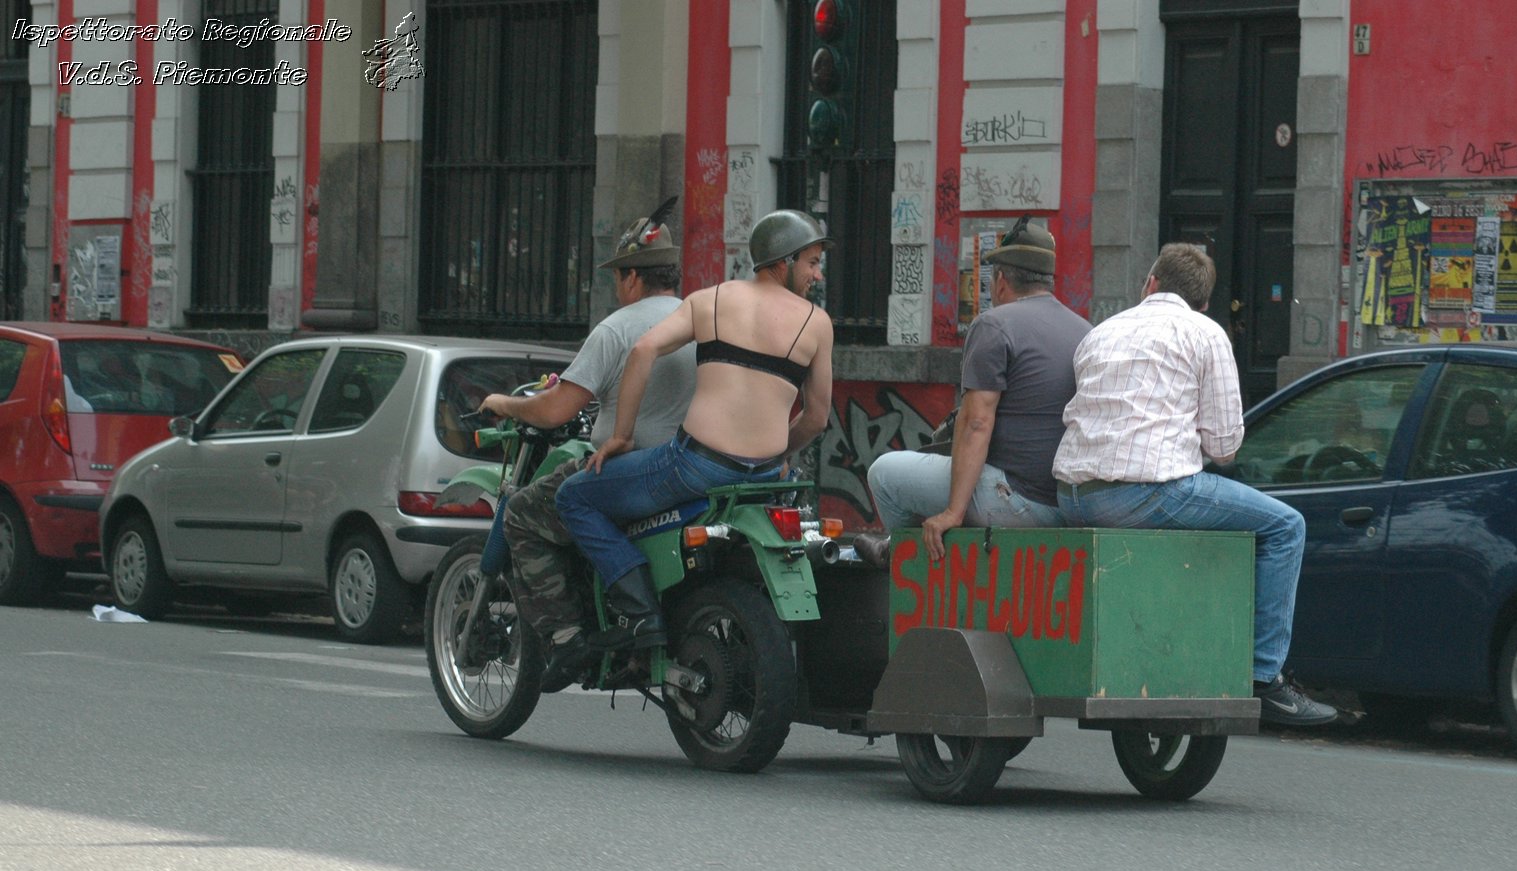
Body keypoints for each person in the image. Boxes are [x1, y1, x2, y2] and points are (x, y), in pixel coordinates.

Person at [1051, 242, 1337, 727]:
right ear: (1202, 302)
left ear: (1151, 283)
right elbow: (1225, 447)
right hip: (1143, 495)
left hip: (1073, 497)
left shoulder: (1101, 331)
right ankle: (1264, 677)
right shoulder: (1205, 333)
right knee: (1286, 526)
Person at [554, 208, 835, 649]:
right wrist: (777, 456)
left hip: (694, 469)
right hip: (762, 481)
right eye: (812, 263)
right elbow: (816, 417)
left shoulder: (712, 300)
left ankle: (641, 612)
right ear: (783, 261)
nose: (816, 275)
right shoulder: (817, 324)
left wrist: (622, 436)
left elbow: (643, 350)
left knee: (572, 496)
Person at [476, 199, 697, 691]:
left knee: (524, 514)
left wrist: (506, 404)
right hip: (687, 471)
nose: (618, 288)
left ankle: (566, 637)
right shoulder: (697, 320)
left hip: (630, 475)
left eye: (619, 277)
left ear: (633, 279)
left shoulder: (618, 328)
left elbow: (555, 410)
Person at [859, 216, 1090, 563]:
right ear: (1048, 279)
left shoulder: (994, 324)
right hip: (1065, 503)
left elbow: (977, 423)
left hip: (1015, 498)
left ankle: (904, 562)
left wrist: (954, 510)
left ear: (999, 280)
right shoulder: (1084, 329)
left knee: (885, 474)